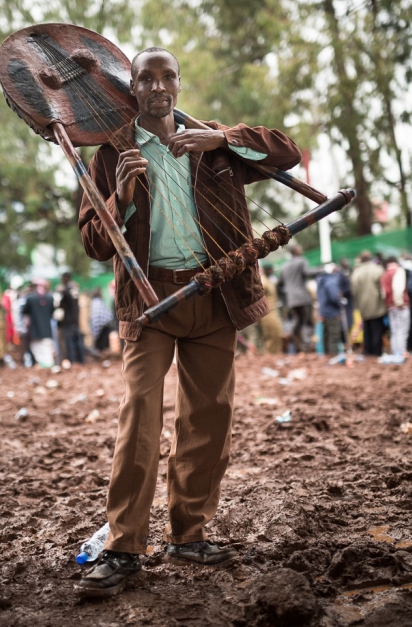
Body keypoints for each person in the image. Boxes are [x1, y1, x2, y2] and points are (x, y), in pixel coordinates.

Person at [75, 46, 302, 597]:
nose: (157, 87)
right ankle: (125, 546)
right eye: (146, 79)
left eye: (167, 76)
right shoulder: (111, 153)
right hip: (151, 303)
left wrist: (225, 137)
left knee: (210, 418)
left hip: (215, 294)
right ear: (133, 88)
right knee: (140, 419)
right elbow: (93, 244)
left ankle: (189, 535)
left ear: (179, 83)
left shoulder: (213, 141)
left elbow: (289, 154)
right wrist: (122, 194)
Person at [279, 244, 316, 353]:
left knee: (297, 321)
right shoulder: (301, 261)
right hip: (303, 298)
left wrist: (285, 300)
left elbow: (279, 285)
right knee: (307, 322)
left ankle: (289, 335)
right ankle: (307, 347)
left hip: (291, 300)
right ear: (296, 251)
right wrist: (324, 270)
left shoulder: (284, 266)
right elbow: (307, 272)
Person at [350, 250, 387, 357]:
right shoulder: (378, 270)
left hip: (363, 306)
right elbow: (383, 288)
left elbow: (354, 291)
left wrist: (358, 304)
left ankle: (368, 351)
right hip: (377, 305)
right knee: (377, 329)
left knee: (367, 329)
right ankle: (376, 352)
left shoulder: (356, 273)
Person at [380, 255, 409, 361]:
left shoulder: (384, 275)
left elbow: (383, 293)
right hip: (400, 305)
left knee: (394, 331)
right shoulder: (398, 271)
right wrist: (399, 302)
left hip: (390, 306)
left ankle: (396, 352)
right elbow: (398, 288)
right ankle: (402, 353)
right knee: (402, 330)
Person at [21, 279, 55, 368]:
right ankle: (47, 366)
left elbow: (24, 311)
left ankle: (46, 366)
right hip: (47, 329)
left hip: (35, 330)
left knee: (37, 349)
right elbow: (52, 312)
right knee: (46, 350)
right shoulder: (50, 298)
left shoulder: (30, 299)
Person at [316, 262, 345, 357]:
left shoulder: (320, 281)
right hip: (332, 313)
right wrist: (341, 303)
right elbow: (334, 297)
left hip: (324, 312)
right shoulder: (330, 281)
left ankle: (327, 358)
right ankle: (334, 358)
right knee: (333, 336)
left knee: (326, 336)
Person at [56, 272, 85, 365]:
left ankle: (72, 361)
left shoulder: (64, 291)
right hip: (75, 319)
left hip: (67, 320)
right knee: (78, 341)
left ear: (65, 278)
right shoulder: (75, 289)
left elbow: (60, 305)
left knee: (69, 342)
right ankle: (81, 360)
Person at [258, 265, 285, 354]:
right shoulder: (263, 281)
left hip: (274, 310)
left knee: (277, 334)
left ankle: (275, 354)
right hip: (267, 313)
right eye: (271, 269)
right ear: (267, 270)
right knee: (271, 335)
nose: (273, 271)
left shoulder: (269, 281)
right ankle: (270, 356)